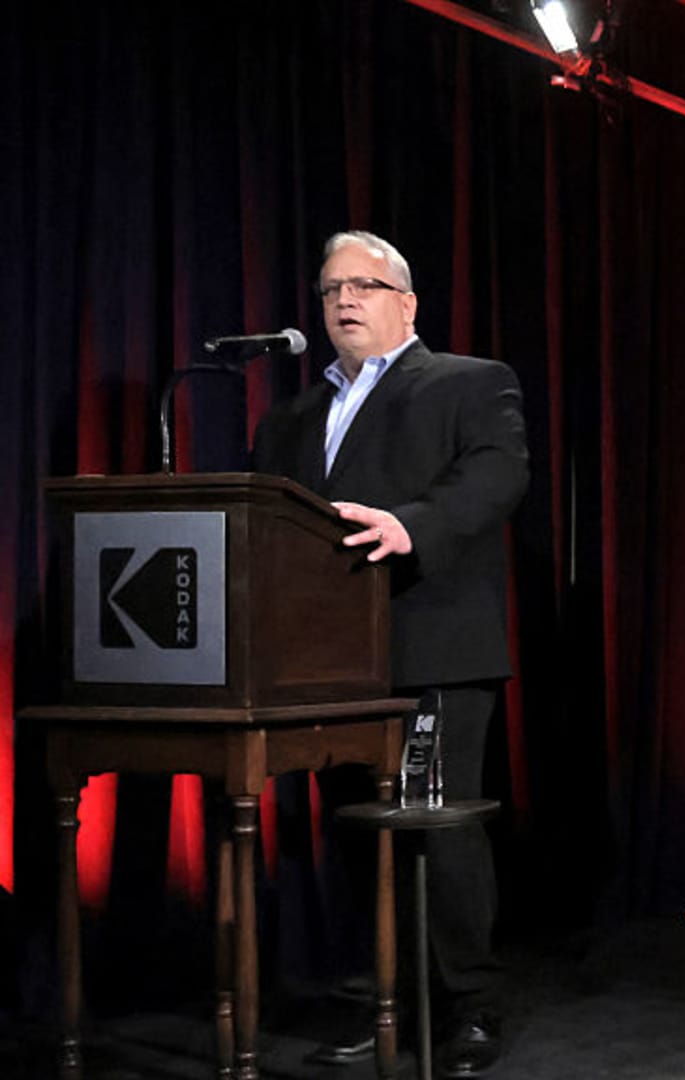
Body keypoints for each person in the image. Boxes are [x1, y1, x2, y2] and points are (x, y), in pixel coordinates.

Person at [252, 230, 528, 1078]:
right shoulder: (290, 417)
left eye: (363, 285)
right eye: (331, 287)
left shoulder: (469, 382)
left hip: (432, 645)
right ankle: (384, 1006)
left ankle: (469, 1007)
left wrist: (414, 526)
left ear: (406, 303)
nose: (344, 300)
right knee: (356, 837)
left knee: (439, 838)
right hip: (329, 663)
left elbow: (499, 474)